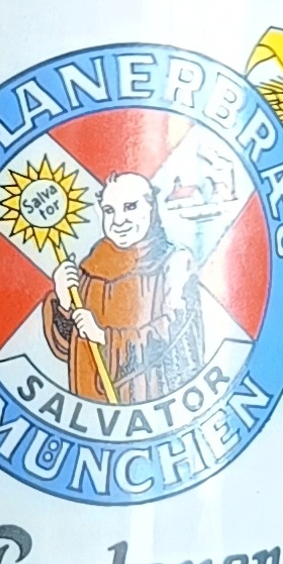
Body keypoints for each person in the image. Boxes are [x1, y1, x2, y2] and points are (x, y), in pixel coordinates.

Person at [44, 172, 204, 404]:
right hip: (91, 407)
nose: (119, 221)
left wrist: (104, 337)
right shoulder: (92, 267)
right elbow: (69, 347)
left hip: (150, 404)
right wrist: (64, 303)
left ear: (151, 207)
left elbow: (172, 337)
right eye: (109, 210)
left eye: (130, 207)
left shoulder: (175, 262)